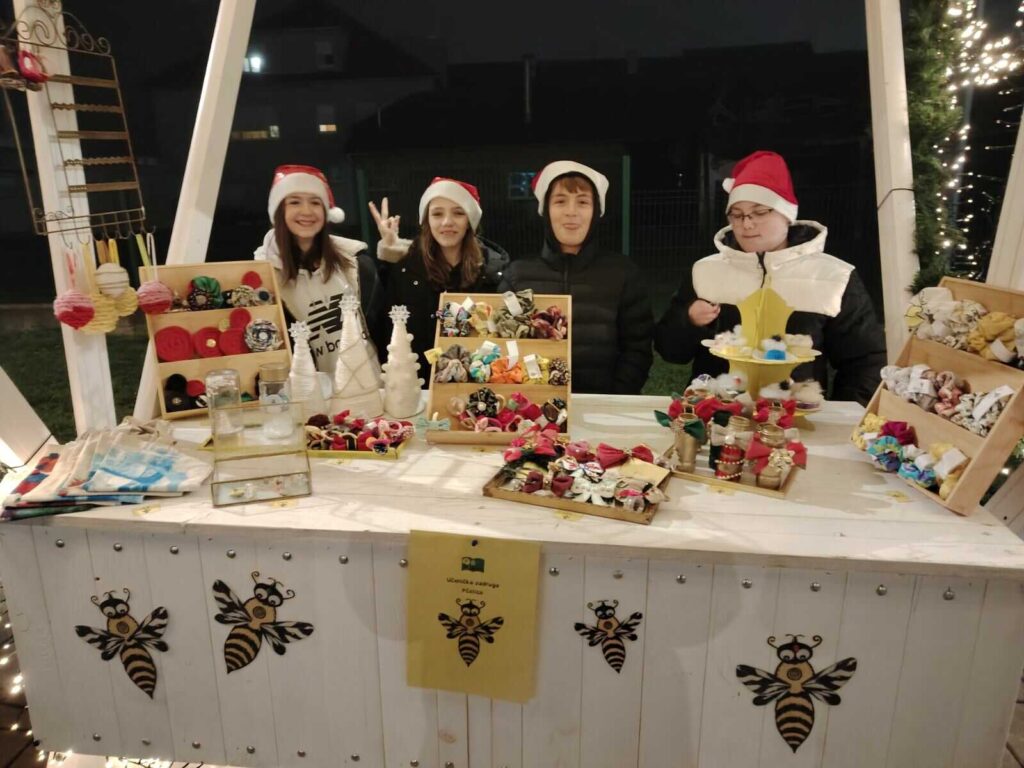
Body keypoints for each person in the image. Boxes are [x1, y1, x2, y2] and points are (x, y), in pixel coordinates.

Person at [654, 150, 886, 405]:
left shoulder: (832, 277)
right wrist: (688, 321)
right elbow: (670, 351)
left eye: (760, 212)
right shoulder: (706, 271)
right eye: (737, 214)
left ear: (787, 215)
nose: (747, 224)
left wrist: (841, 415)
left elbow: (866, 361)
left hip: (795, 417)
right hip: (717, 415)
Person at [496, 161, 653, 394]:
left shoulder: (623, 273)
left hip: (605, 405)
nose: (571, 212)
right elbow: (502, 344)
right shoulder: (517, 275)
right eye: (560, 201)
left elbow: (638, 348)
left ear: (595, 212)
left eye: (582, 202)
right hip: (532, 408)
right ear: (546, 211)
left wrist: (613, 397)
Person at [369, 177, 508, 372]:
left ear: (470, 221)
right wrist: (388, 259)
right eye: (437, 214)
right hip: (416, 383)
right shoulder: (405, 271)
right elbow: (382, 330)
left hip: (476, 385)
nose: (447, 222)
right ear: (427, 220)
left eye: (458, 213)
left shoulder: (493, 273)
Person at [254, 164, 382, 374]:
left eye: (315, 202)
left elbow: (382, 326)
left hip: (371, 387)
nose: (307, 211)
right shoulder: (263, 282)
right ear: (279, 210)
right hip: (311, 391)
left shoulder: (355, 264)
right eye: (294, 202)